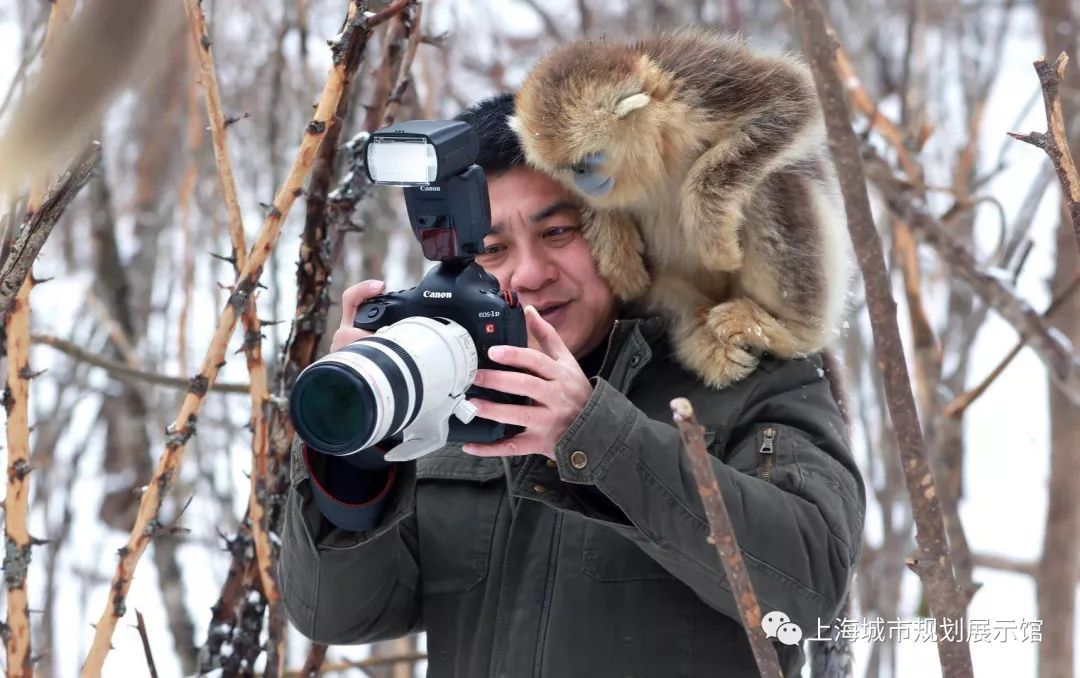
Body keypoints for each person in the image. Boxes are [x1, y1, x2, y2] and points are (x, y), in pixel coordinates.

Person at [279, 93, 866, 677]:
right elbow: (339, 614)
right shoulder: (453, 392)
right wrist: (358, 443)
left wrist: (594, 437)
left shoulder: (742, 375)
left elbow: (808, 591)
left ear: (618, 229)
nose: (531, 274)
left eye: (558, 232)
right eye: (492, 248)